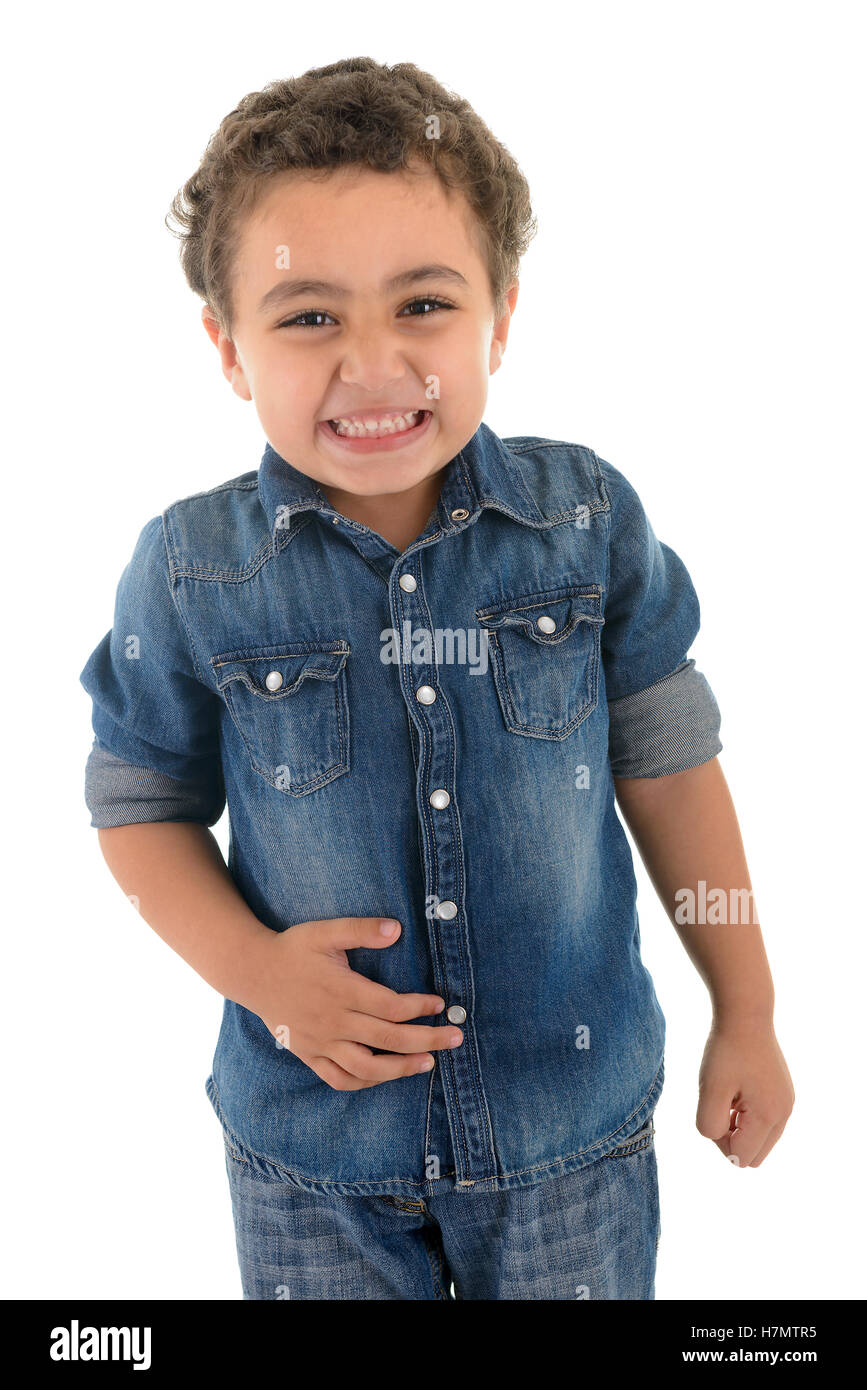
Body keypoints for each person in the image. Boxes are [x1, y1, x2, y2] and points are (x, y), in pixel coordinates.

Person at [79, 57, 794, 1300]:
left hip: (567, 1138)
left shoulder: (587, 520)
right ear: (227, 347)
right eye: (308, 316)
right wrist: (256, 971)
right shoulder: (193, 569)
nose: (373, 363)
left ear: (501, 316)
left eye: (424, 304)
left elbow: (672, 770)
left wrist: (750, 1005)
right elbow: (141, 805)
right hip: (315, 1156)